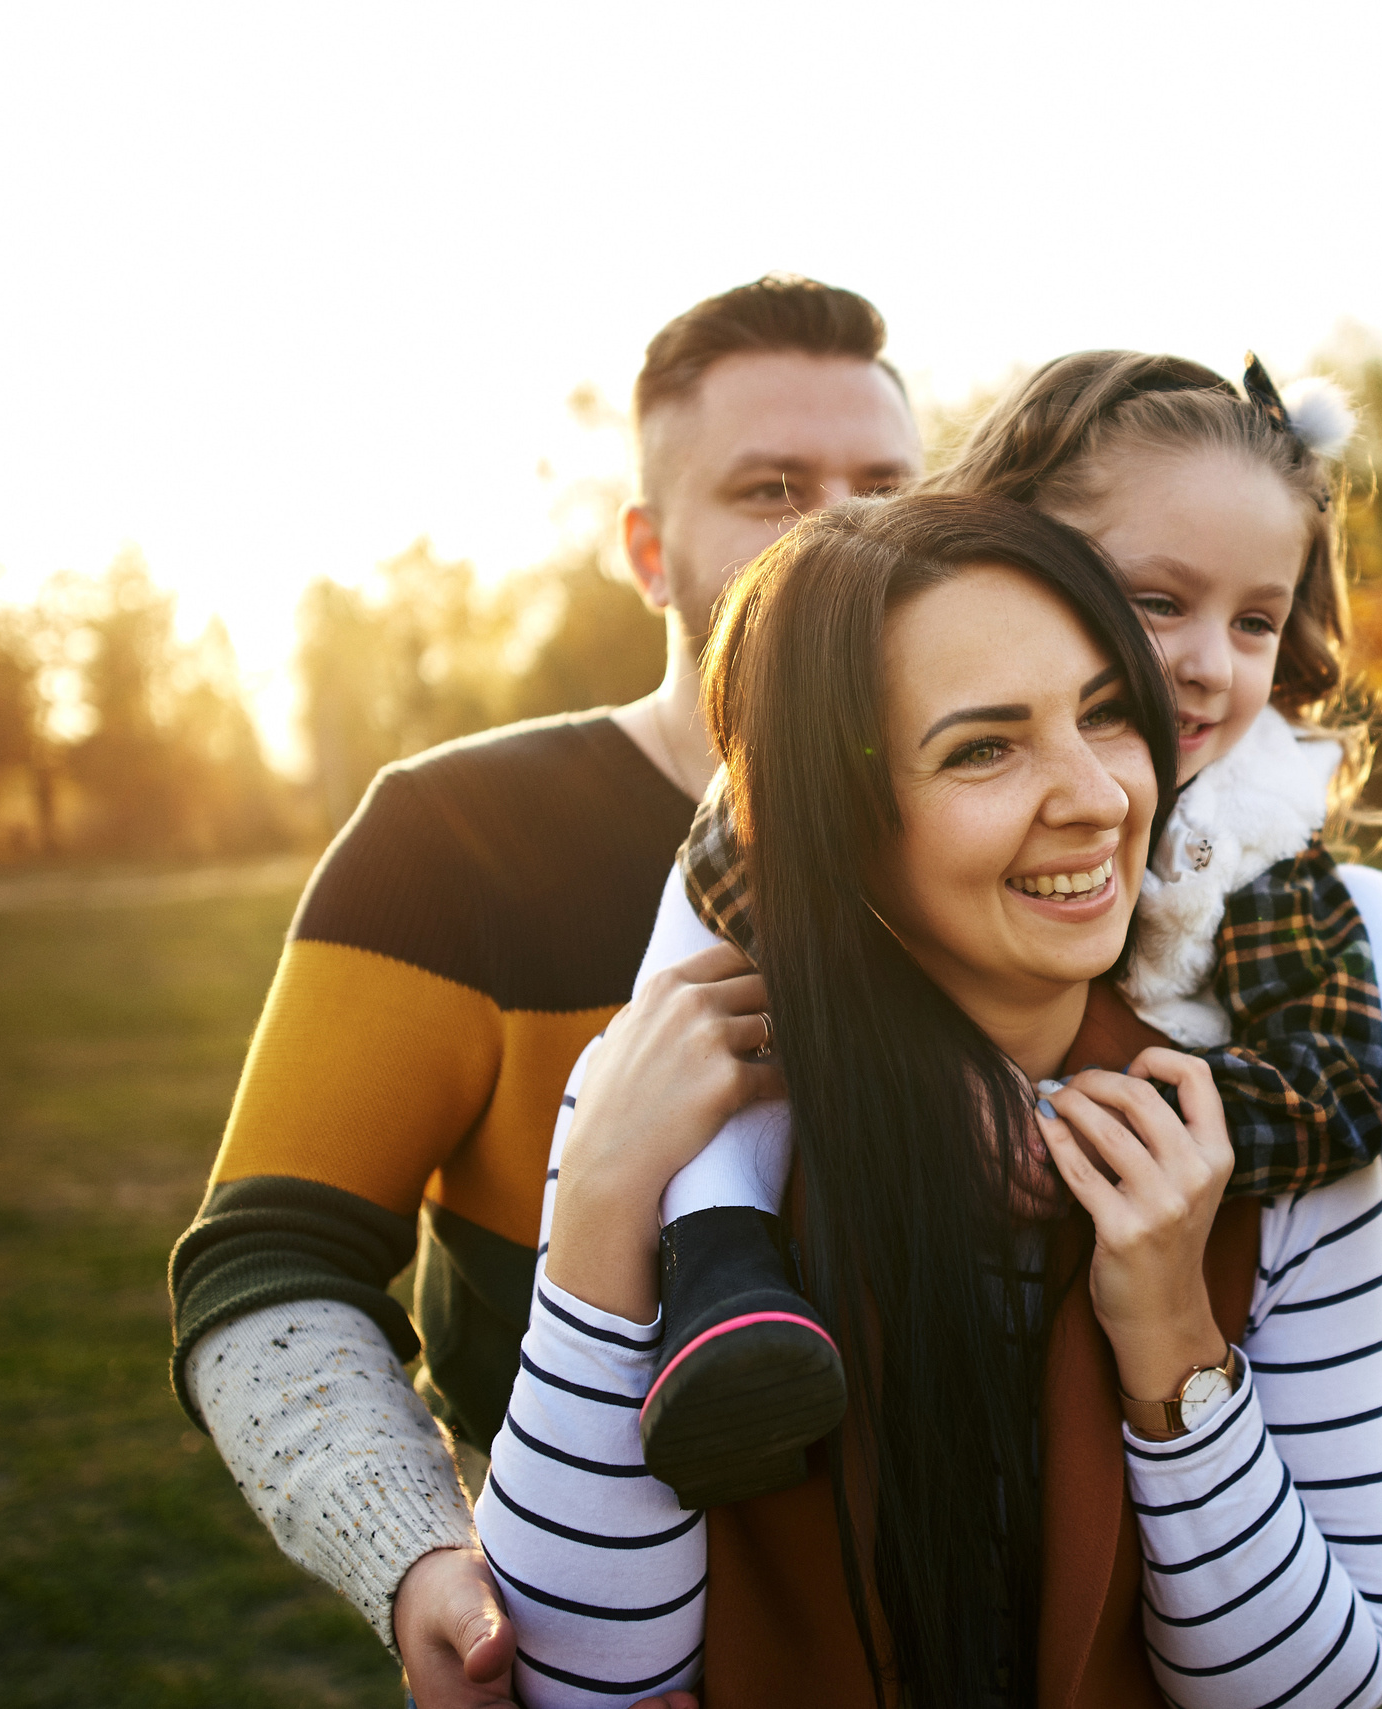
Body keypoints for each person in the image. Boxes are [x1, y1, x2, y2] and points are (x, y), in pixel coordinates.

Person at [629, 350, 1382, 1513]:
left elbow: (1329, 1082)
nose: (1208, 664)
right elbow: (748, 912)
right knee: (710, 1011)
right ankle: (719, 1269)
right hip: (848, 1157)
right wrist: (918, 1063)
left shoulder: (1253, 841)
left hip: (1139, 1263)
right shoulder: (880, 739)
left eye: (1257, 619)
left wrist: (1110, 1124)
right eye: (1157, 600)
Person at [476, 493, 1382, 1707]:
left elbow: (1320, 1694)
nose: (1097, 796)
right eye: (983, 746)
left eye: (1108, 713)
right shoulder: (677, 1116)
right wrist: (602, 1201)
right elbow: (578, 1684)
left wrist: (1173, 1338)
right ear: (836, 819)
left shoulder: (1275, 1130)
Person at [164, 275, 922, 1704]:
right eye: (771, 488)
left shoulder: (1025, 842)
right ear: (648, 552)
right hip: (601, 1637)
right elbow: (268, 1263)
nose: (844, 532)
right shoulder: (447, 841)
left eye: (886, 485)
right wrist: (412, 1551)